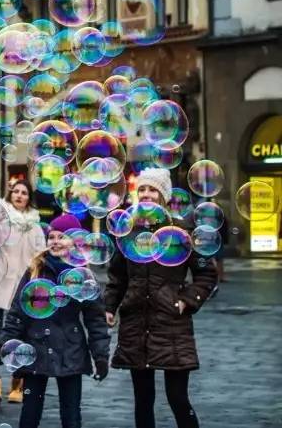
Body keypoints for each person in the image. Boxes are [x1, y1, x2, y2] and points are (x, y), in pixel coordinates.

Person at [104, 167, 217, 428]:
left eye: (152, 189)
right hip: (135, 324)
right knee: (143, 399)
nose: (146, 194)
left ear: (163, 196)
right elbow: (117, 276)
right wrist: (109, 306)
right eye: (141, 189)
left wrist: (186, 300)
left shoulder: (181, 231)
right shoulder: (128, 231)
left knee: (177, 397)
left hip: (171, 324)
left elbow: (206, 275)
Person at [0, 214, 110, 428]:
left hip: (70, 349)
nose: (55, 241)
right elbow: (18, 312)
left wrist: (100, 356)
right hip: (36, 348)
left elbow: (96, 320)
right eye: (51, 237)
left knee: (71, 415)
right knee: (29, 413)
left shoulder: (82, 276)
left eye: (61, 236)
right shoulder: (35, 270)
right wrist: (2, 344)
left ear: (75, 242)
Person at [0, 180, 45, 407]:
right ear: (9, 194)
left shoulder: (34, 224)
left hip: (20, 287)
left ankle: (17, 384)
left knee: (20, 336)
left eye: (24, 193)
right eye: (16, 192)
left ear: (29, 198)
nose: (20, 195)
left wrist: (36, 280)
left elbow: (40, 255)